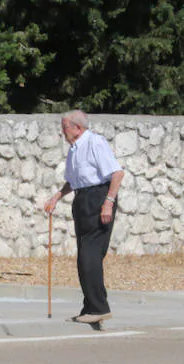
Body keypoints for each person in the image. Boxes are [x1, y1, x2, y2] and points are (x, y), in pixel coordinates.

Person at [43, 110, 124, 325]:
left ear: (77, 128)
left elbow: (117, 174)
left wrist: (108, 202)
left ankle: (100, 307)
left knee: (90, 256)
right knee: (84, 258)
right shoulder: (74, 149)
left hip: (99, 199)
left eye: (65, 128)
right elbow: (73, 181)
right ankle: (90, 307)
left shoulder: (95, 143)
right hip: (82, 200)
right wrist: (57, 197)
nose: (62, 132)